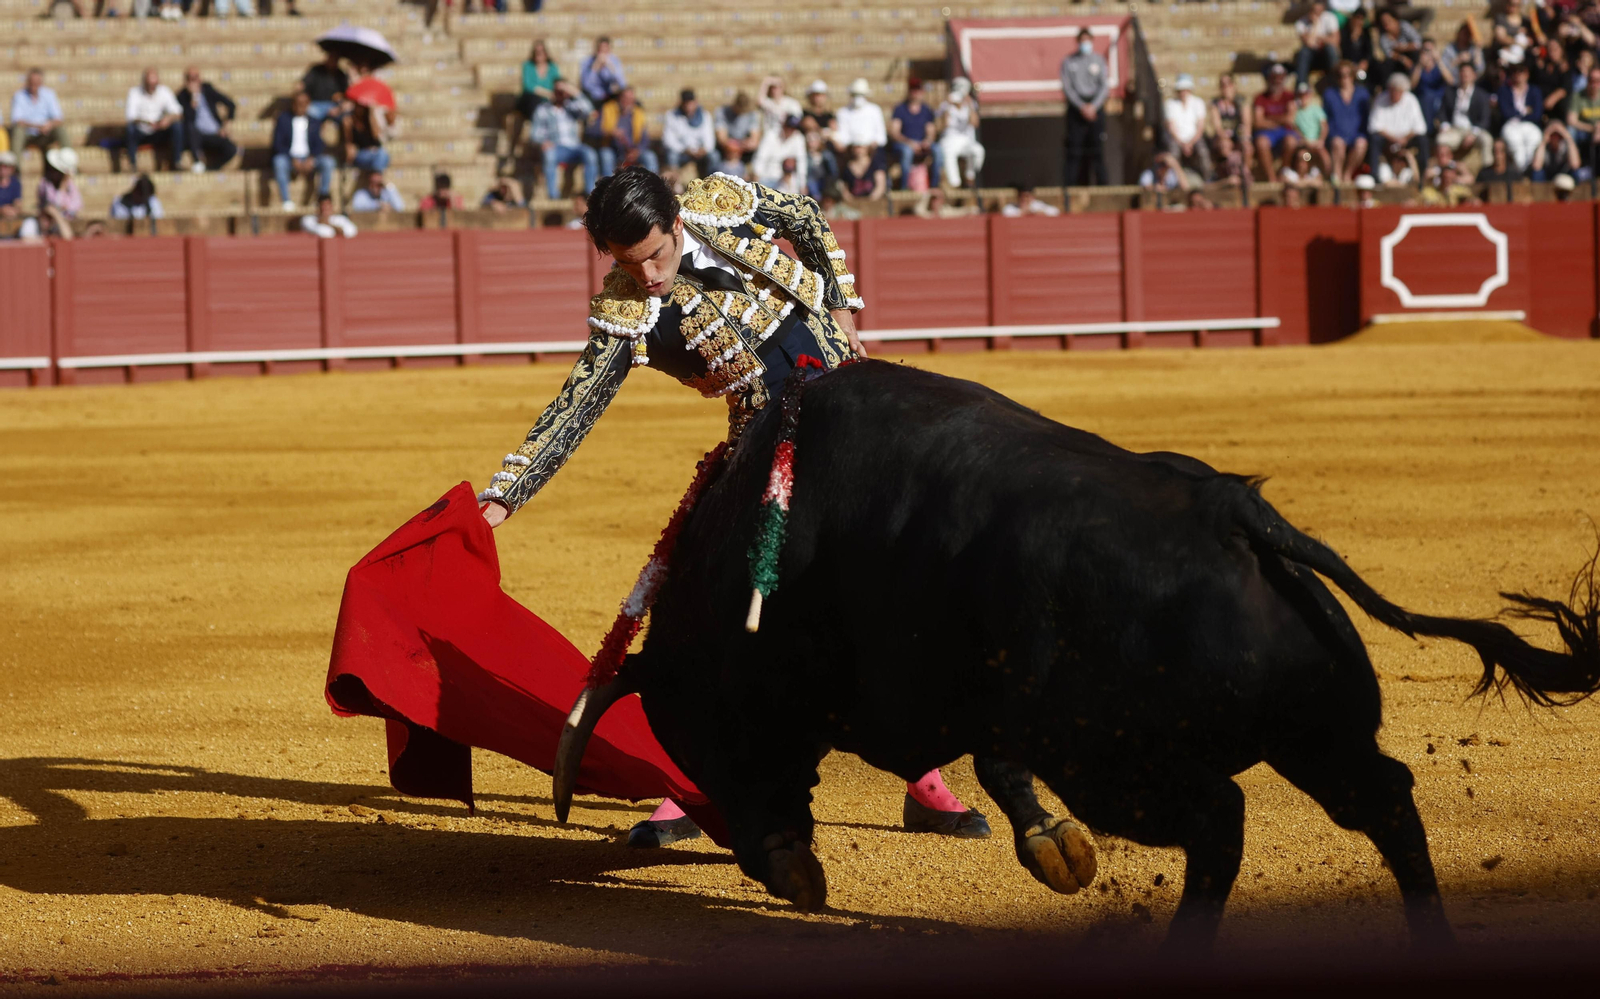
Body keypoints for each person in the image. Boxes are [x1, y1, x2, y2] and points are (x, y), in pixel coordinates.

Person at [476, 167, 991, 846]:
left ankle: (923, 783)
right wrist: (502, 496)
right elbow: (574, 407)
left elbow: (806, 216)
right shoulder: (627, 311)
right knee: (728, 621)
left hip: (865, 424)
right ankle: (698, 786)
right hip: (767, 452)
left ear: (676, 221)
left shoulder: (723, 203)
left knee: (891, 599)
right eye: (628, 264)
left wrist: (841, 309)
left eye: (655, 255)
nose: (649, 276)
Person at [532, 80, 599, 200]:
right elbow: (535, 134)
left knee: (590, 154)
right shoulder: (543, 110)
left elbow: (590, 111)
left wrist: (575, 92)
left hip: (574, 147)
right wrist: (543, 142)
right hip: (556, 147)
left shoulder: (572, 107)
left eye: (563, 91)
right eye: (558, 91)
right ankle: (553, 196)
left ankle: (590, 193)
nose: (561, 94)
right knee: (549, 155)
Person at [1061, 27, 1109, 186]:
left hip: (1095, 107)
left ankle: (1103, 187)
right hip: (1077, 110)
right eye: (1082, 41)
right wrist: (1082, 107)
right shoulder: (1069, 61)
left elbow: (1104, 87)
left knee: (1097, 150)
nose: (1085, 44)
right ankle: (1071, 187)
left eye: (1087, 40)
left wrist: (1093, 107)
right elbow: (1068, 88)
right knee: (1074, 150)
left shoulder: (1099, 60)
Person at [272, 91, 335, 211]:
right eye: (298, 103)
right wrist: (293, 159)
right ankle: (286, 201)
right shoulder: (283, 119)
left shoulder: (314, 121)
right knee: (279, 162)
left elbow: (319, 144)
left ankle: (323, 198)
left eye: (304, 103)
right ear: (293, 104)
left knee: (328, 162)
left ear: (308, 104)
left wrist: (311, 158)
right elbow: (278, 144)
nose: (301, 106)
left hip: (309, 158)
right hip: (289, 158)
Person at [1367, 72, 1428, 180]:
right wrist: (1394, 139)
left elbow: (1420, 127)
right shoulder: (1381, 99)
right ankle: (1374, 176)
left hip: (1406, 139)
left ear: (1403, 91)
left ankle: (1423, 174)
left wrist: (1404, 139)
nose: (1393, 94)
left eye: (1397, 91)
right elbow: (1374, 126)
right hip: (1387, 139)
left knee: (1422, 140)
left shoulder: (1411, 100)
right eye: (1391, 90)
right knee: (1374, 139)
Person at [177, 67, 237, 173]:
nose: (193, 81)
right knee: (191, 129)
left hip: (215, 132)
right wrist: (193, 100)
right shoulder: (182, 96)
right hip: (196, 136)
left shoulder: (208, 90)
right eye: (190, 79)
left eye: (195, 78)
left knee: (231, 149)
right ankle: (197, 162)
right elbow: (186, 119)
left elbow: (231, 104)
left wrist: (226, 125)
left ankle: (212, 169)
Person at [125, 68, 184, 172]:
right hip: (141, 131)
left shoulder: (164, 91)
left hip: (159, 131)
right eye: (149, 85)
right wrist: (148, 122)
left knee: (177, 126)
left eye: (154, 85)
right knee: (130, 129)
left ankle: (176, 162)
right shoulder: (134, 93)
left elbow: (178, 112)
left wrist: (167, 119)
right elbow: (131, 116)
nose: (152, 88)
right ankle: (132, 164)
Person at [344, 61, 396, 174]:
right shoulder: (348, 121)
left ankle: (376, 181)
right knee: (381, 156)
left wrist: (371, 114)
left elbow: (376, 136)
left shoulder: (370, 118)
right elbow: (349, 144)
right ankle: (377, 183)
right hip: (361, 154)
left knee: (382, 155)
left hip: (374, 153)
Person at [511, 40, 560, 156]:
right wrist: (547, 93)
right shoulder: (527, 66)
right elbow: (528, 86)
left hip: (545, 103)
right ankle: (537, 139)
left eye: (541, 52)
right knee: (535, 103)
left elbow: (558, 83)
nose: (539, 54)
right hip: (529, 102)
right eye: (536, 52)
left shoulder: (552, 68)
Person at [1323, 61, 1370, 183]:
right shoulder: (1329, 94)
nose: (1344, 78)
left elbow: (1366, 117)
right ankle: (1337, 177)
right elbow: (1325, 118)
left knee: (1361, 144)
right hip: (1337, 133)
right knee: (1337, 143)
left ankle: (1347, 175)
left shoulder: (1362, 93)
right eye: (1340, 75)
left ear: (1352, 75)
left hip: (1356, 133)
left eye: (1347, 74)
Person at [1437, 60, 1492, 165]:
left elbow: (1485, 119)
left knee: (1487, 140)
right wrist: (1444, 126)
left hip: (1474, 130)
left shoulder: (1481, 95)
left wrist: (1473, 134)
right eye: (1462, 73)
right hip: (1454, 130)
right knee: (1441, 140)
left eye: (1468, 73)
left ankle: (1487, 170)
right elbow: (1442, 112)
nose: (1465, 75)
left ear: (1474, 76)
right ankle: (1446, 169)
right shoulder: (1450, 92)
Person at [888, 78, 938, 190]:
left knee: (938, 151)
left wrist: (927, 142)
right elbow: (894, 132)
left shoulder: (927, 110)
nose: (916, 93)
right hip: (904, 144)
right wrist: (910, 143)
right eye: (913, 90)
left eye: (918, 90)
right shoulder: (900, 109)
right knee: (907, 152)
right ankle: (904, 187)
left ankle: (935, 186)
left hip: (922, 144)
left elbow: (931, 132)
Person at [1497, 61, 1546, 174]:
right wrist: (1525, 111)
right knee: (1515, 144)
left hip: (1530, 125)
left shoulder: (1535, 91)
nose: (1518, 75)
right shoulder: (1504, 90)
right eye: (1514, 72)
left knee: (1533, 141)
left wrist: (1517, 113)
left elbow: (1537, 114)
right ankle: (1521, 173)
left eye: (1521, 72)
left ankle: (1528, 172)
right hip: (1511, 125)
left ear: (1527, 74)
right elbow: (1505, 112)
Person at [597, 86, 657, 177]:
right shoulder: (607, 109)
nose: (627, 101)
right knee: (606, 155)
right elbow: (593, 130)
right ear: (619, 98)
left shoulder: (639, 113)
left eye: (631, 99)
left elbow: (645, 139)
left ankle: (653, 188)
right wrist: (610, 132)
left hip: (632, 150)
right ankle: (608, 188)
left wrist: (637, 151)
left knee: (650, 156)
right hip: (613, 149)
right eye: (625, 98)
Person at [1253, 64, 1299, 180]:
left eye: (1280, 77)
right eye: (1274, 77)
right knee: (1261, 143)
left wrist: (1269, 118)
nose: (1277, 81)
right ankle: (1271, 178)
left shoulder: (1289, 96)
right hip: (1268, 132)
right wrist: (1280, 120)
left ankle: (1284, 171)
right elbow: (1258, 122)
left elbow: (1290, 119)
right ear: (1269, 79)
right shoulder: (1260, 97)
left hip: (1284, 132)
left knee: (1291, 142)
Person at [936, 77, 984, 189]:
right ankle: (955, 184)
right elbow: (942, 126)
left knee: (978, 151)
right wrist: (948, 106)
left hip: (965, 140)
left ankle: (970, 178)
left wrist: (970, 104)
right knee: (949, 155)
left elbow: (975, 123)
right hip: (949, 139)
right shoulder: (945, 105)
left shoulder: (970, 105)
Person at [1163, 73, 1212, 181]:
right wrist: (1182, 143)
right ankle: (1171, 182)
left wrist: (1190, 143)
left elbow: (1200, 127)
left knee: (1203, 153)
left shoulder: (1198, 102)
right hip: (1177, 139)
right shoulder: (1170, 104)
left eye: (1185, 89)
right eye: (1181, 90)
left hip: (1194, 138)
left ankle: (1207, 180)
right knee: (1172, 154)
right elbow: (1171, 127)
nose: (1183, 92)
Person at [663, 88, 718, 180]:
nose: (688, 106)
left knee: (714, 156)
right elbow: (668, 140)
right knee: (672, 155)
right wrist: (684, 149)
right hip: (683, 152)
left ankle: (712, 182)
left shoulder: (705, 116)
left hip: (701, 152)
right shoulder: (671, 116)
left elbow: (710, 140)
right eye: (686, 103)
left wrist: (704, 149)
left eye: (690, 103)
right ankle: (675, 185)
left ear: (695, 102)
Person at [9, 68, 64, 159]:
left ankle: (69, 163)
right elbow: (17, 120)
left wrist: (49, 125)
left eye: (37, 82)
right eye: (32, 82)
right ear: (27, 82)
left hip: (45, 134)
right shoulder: (19, 96)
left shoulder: (49, 94)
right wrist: (38, 126)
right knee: (18, 131)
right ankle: (15, 168)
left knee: (61, 130)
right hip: (27, 134)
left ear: (41, 82)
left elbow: (58, 118)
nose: (34, 85)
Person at [1209, 72, 1251, 180]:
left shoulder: (1242, 101)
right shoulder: (1215, 103)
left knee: (1247, 147)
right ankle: (1228, 176)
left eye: (1228, 83)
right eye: (1223, 84)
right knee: (1224, 146)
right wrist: (1226, 139)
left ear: (1234, 85)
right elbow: (1217, 126)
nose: (1226, 87)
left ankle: (1245, 175)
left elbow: (1246, 123)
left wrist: (1244, 138)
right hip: (1224, 137)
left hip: (1239, 135)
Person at [833, 78, 887, 157]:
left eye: (860, 95)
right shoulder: (843, 112)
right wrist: (856, 146)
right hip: (850, 151)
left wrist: (870, 145)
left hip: (872, 151)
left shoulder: (875, 110)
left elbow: (881, 137)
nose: (857, 98)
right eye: (855, 95)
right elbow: (843, 136)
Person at [753, 114, 807, 192]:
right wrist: (756, 176)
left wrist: (802, 184)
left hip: (787, 178)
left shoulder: (799, 138)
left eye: (793, 128)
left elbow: (801, 162)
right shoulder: (771, 135)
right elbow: (761, 157)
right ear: (783, 125)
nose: (790, 130)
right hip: (767, 176)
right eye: (789, 127)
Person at [714, 91, 762, 179]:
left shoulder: (752, 114)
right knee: (714, 156)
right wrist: (734, 146)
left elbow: (755, 140)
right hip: (726, 149)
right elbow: (722, 139)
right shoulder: (722, 112)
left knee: (760, 153)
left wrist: (746, 144)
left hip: (744, 150)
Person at [36, 147, 80, 240]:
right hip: (51, 224)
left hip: (68, 224)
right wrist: (61, 189)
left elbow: (77, 205)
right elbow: (53, 206)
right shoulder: (46, 184)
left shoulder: (70, 185)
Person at [1295, 0, 1342, 88]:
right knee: (1303, 52)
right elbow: (1309, 43)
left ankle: (1336, 83)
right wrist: (1315, 24)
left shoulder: (1330, 18)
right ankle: (1301, 86)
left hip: (1327, 56)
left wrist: (1319, 38)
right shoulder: (1301, 23)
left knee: (1330, 49)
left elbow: (1336, 41)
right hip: (1312, 58)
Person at [1294, 84, 1331, 178]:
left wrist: (1321, 140)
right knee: (1303, 156)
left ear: (1309, 95)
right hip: (1305, 145)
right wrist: (1305, 141)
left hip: (1317, 144)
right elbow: (1295, 129)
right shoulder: (1295, 112)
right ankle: (1302, 178)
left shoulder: (1316, 109)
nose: (1303, 97)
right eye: (1301, 95)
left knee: (1325, 157)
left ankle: (1329, 178)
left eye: (1305, 94)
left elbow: (1324, 126)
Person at [579, 36, 626, 108]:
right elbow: (586, 85)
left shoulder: (615, 61)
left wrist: (610, 66)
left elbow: (622, 84)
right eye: (600, 49)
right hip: (593, 98)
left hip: (609, 97)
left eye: (605, 49)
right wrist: (595, 68)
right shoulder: (587, 62)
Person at [1568, 66, 1600, 172]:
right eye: (1592, 80)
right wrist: (1592, 129)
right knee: (1570, 131)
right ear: (1587, 81)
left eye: (1598, 80)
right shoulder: (1578, 95)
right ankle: (1575, 169)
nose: (1594, 84)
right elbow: (1571, 120)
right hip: (1584, 131)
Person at [0, 152, 21, 222]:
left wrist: (14, 210)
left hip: (9, 220)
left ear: (12, 168)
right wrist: (2, 210)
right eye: (1, 165)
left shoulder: (15, 184)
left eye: (6, 166)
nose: (2, 168)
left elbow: (18, 203)